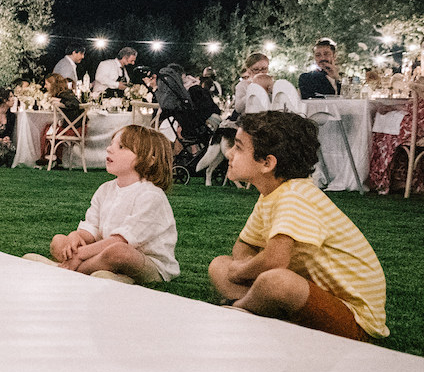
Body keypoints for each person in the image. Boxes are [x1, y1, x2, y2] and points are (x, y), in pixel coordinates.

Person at [207, 111, 387, 341]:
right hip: (309, 296)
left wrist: (241, 271)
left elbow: (275, 260)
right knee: (220, 266)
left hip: (353, 320)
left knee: (277, 282)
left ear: (267, 163)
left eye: (239, 147)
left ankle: (242, 308)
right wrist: (239, 267)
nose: (229, 153)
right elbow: (244, 245)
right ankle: (259, 310)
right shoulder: (271, 194)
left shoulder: (295, 196)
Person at [24, 124, 178, 285]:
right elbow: (91, 229)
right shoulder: (105, 189)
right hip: (103, 253)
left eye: (121, 147)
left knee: (119, 252)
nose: (110, 149)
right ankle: (113, 277)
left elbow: (121, 241)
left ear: (149, 159)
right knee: (59, 241)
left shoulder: (151, 196)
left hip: (145, 262)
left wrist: (80, 254)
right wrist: (75, 237)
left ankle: (65, 270)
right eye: (111, 144)